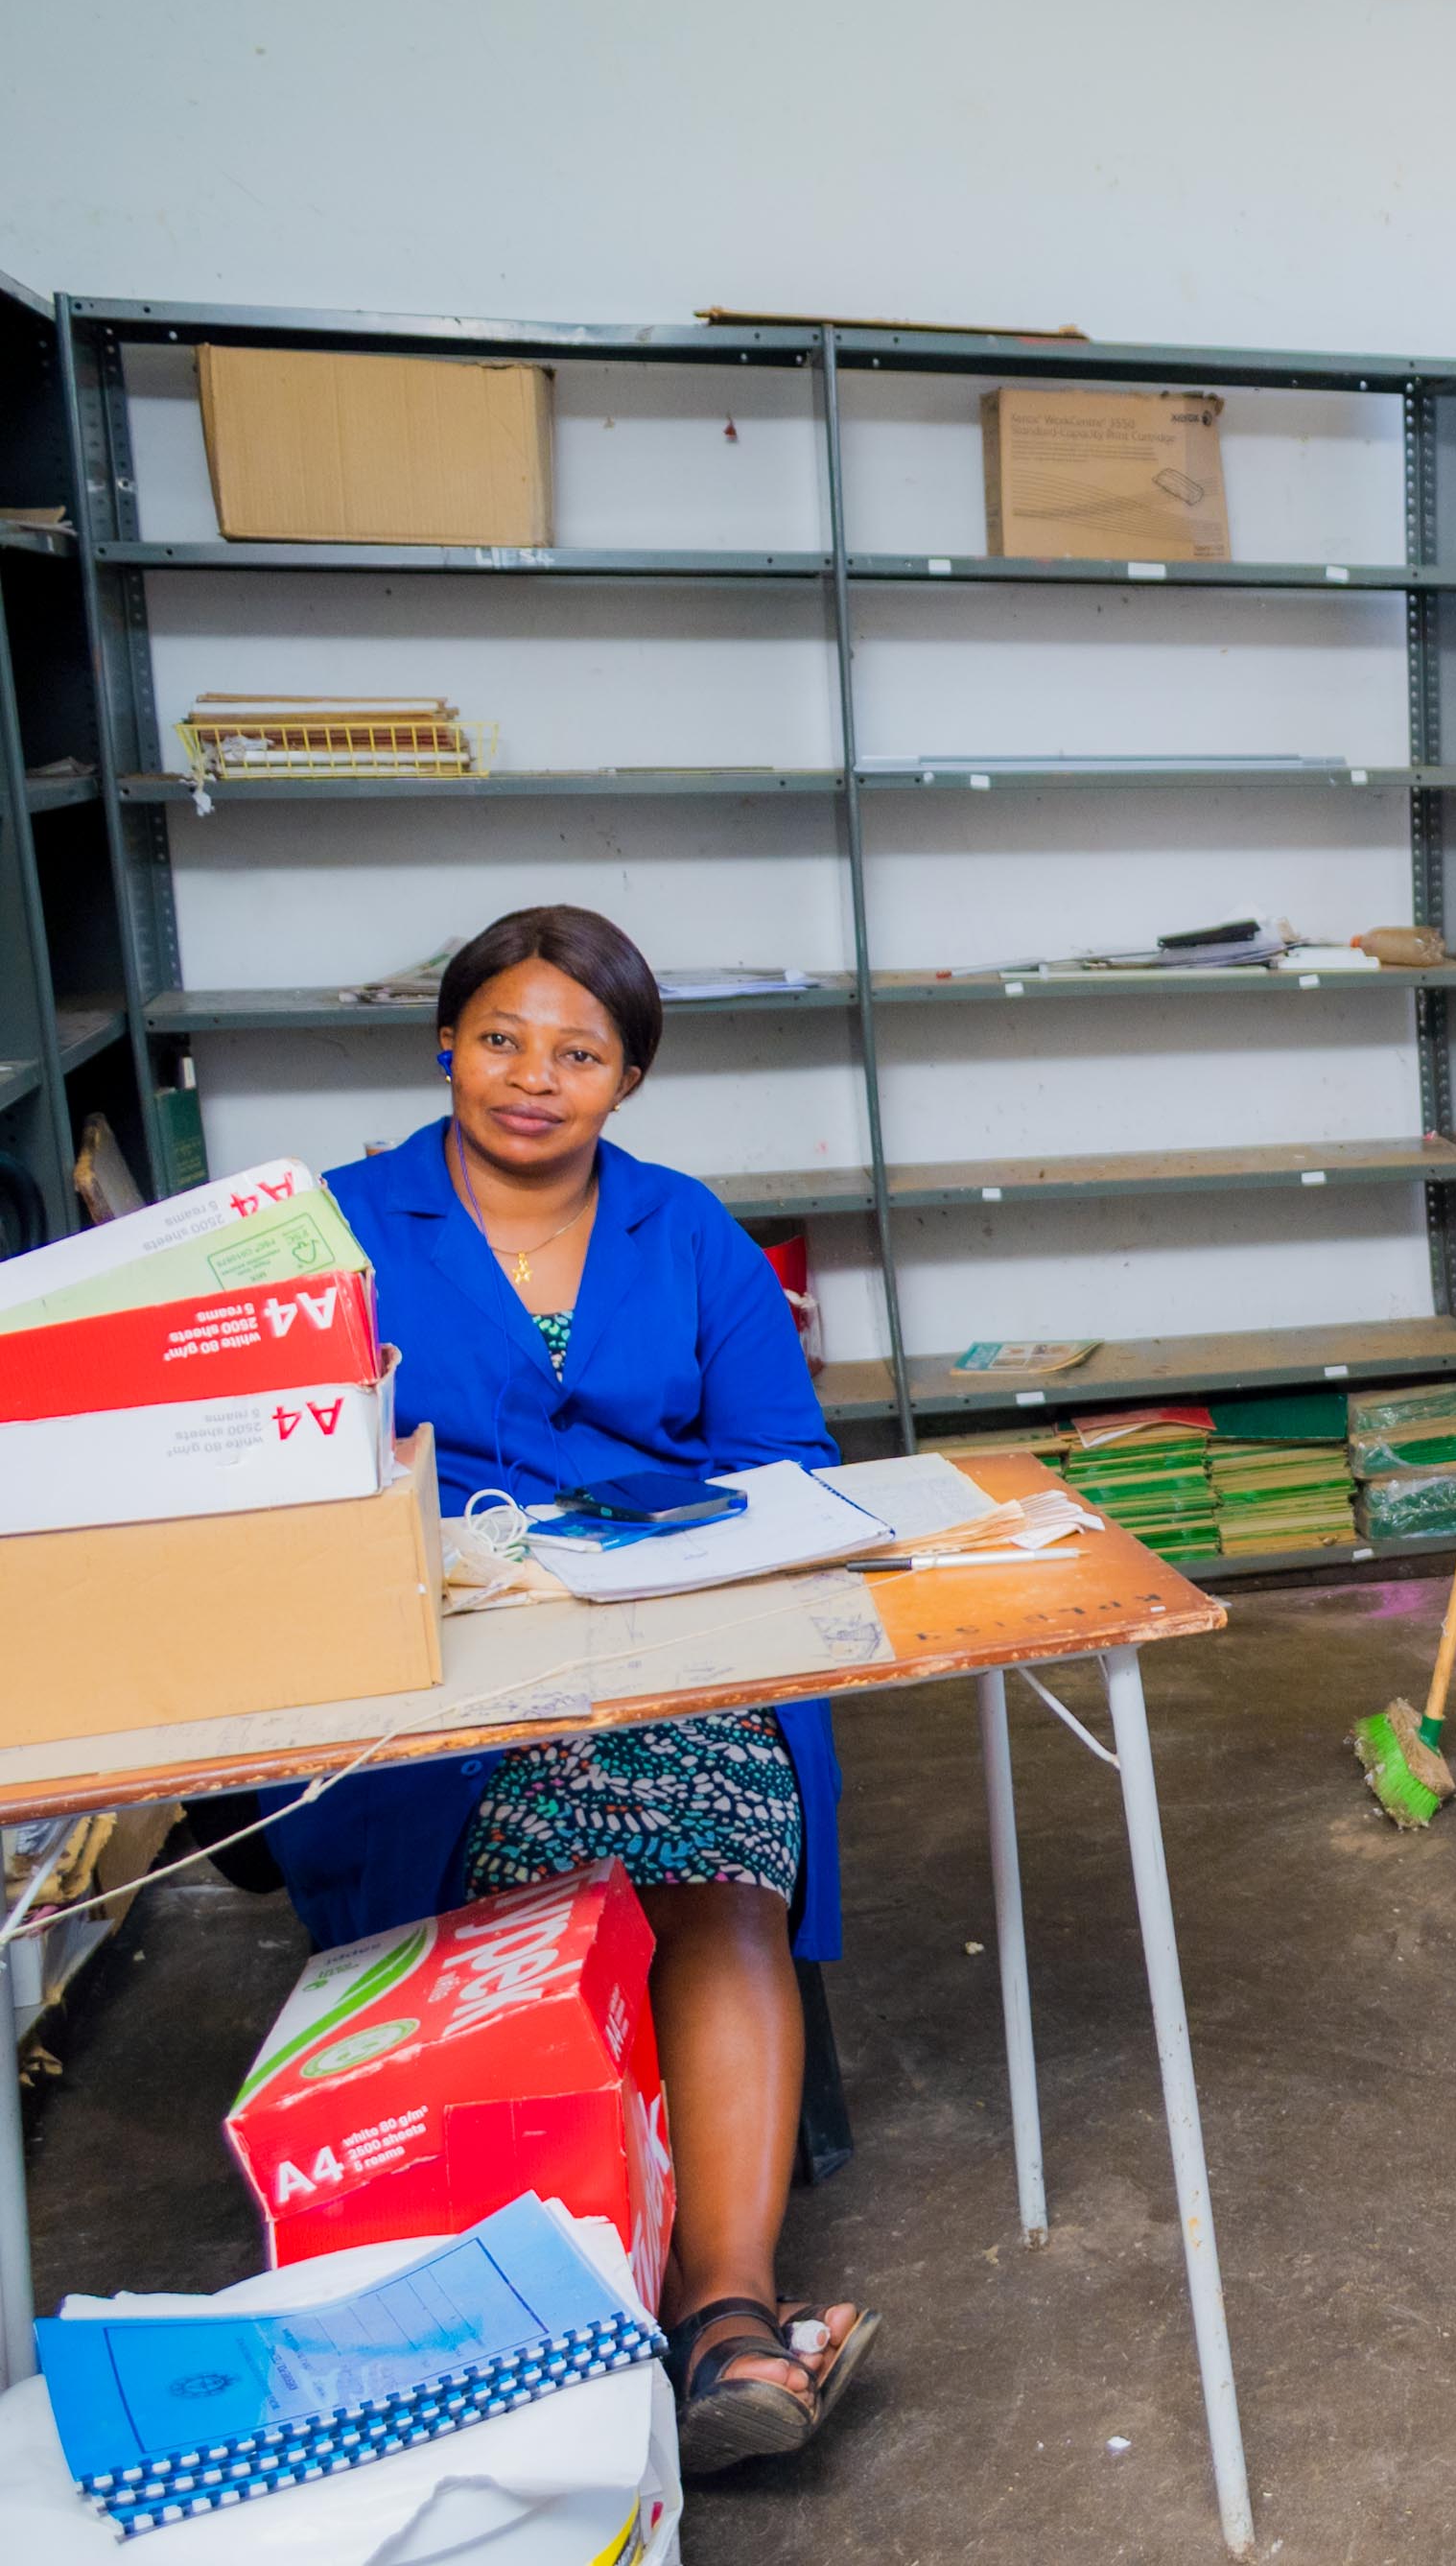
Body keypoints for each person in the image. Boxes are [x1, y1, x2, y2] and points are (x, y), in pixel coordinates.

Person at [274, 905, 881, 2472]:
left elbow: (785, 1461)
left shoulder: (685, 1231)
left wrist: (665, 1554)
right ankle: (552, 2328)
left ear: (627, 1079)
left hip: (673, 1644)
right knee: (543, 1874)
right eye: (500, 1038)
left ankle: (725, 2316)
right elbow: (276, 1475)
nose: (532, 1079)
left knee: (718, 1851)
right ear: (446, 1044)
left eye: (578, 1054)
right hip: (451, 1673)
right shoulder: (334, 1230)